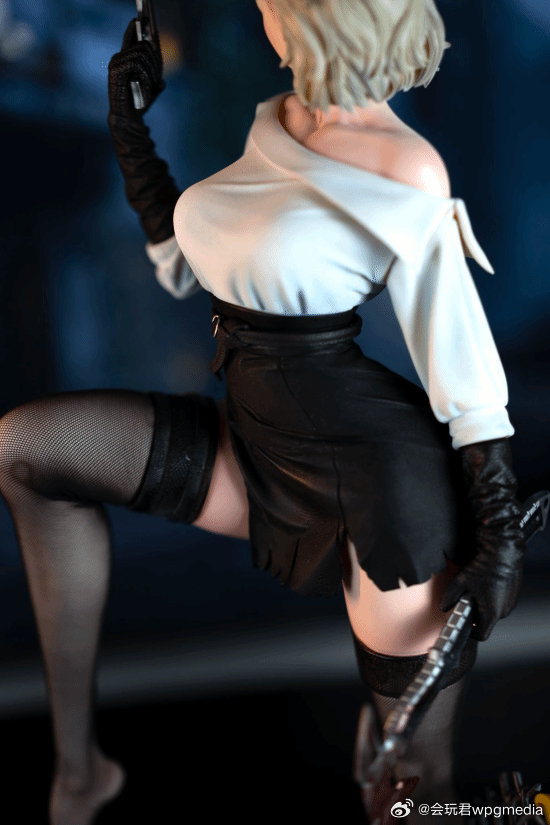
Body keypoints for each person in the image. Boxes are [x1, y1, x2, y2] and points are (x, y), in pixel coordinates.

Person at [0, 1, 526, 823]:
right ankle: (79, 768)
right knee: (25, 449)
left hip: (381, 491)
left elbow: (461, 361)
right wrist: (129, 129)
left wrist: (497, 528)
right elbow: (190, 264)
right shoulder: (276, 118)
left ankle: (516, 813)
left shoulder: (405, 165)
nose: (260, 6)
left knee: (414, 794)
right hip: (251, 445)